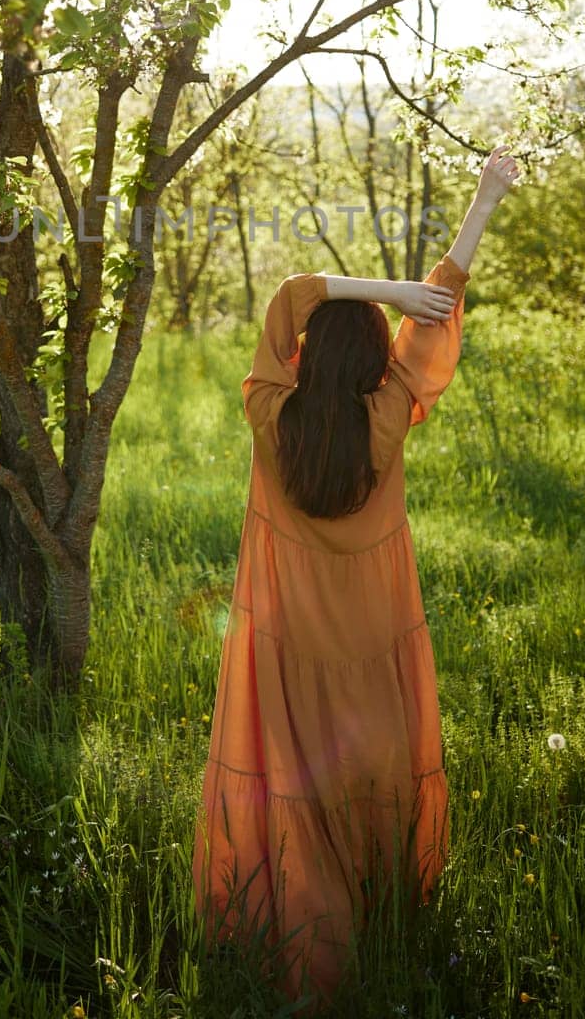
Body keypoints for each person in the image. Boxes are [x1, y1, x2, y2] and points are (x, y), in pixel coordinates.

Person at [191, 147, 521, 1009]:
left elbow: (292, 291)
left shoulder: (269, 411)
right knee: (371, 776)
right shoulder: (388, 417)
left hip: (289, 646)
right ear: (375, 362)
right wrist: (482, 200)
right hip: (372, 641)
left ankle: (305, 934)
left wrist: (374, 291)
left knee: (295, 782)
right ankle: (380, 920)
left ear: (304, 358)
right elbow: (437, 313)